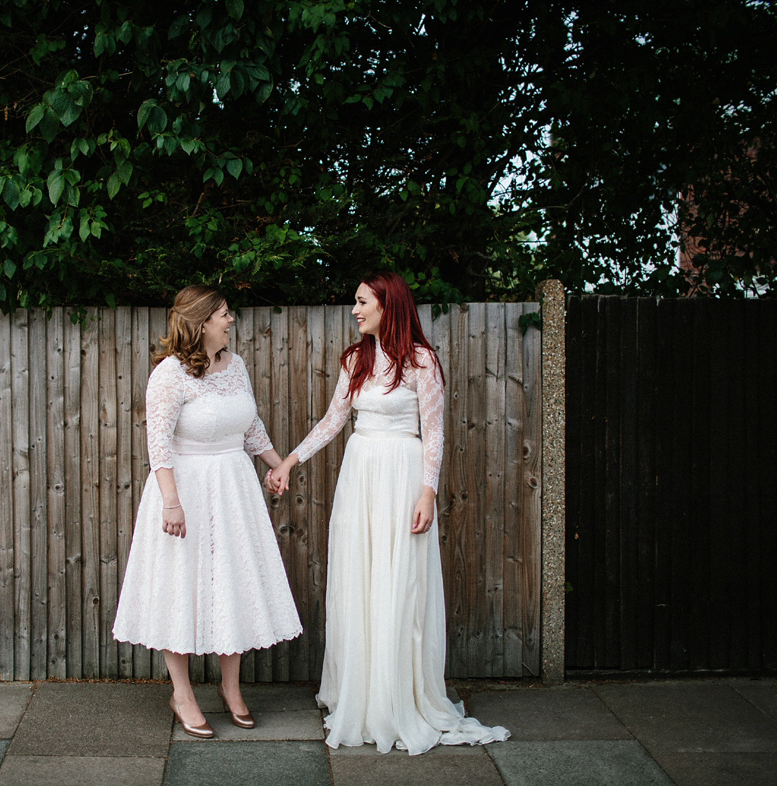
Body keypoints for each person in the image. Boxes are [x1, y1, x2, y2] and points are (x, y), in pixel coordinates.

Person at [266, 272, 509, 754]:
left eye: (361, 302)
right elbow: (335, 419)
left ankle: (398, 695)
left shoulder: (422, 362)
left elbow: (435, 434)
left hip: (402, 476)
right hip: (360, 475)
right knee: (360, 578)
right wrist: (291, 459)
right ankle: (359, 689)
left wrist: (427, 493)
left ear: (386, 304)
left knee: (400, 583)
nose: (354, 311)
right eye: (355, 303)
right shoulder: (355, 359)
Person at [112, 285, 302, 739]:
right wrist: (171, 502)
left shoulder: (234, 366)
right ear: (199, 322)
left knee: (230, 585)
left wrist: (279, 464)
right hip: (186, 490)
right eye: (223, 313)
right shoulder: (169, 374)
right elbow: (157, 443)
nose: (231, 319)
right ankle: (182, 694)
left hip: (234, 489)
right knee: (181, 587)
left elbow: (249, 424)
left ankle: (231, 689)